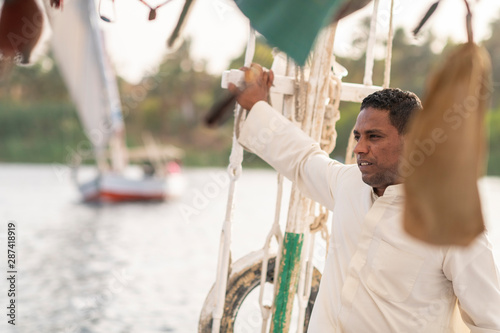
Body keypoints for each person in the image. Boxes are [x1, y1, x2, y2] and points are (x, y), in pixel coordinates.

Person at [229, 65, 500, 332]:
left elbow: (490, 323)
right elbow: (302, 158)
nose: (359, 148)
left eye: (374, 137)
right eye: (358, 136)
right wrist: (258, 106)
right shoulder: (349, 185)